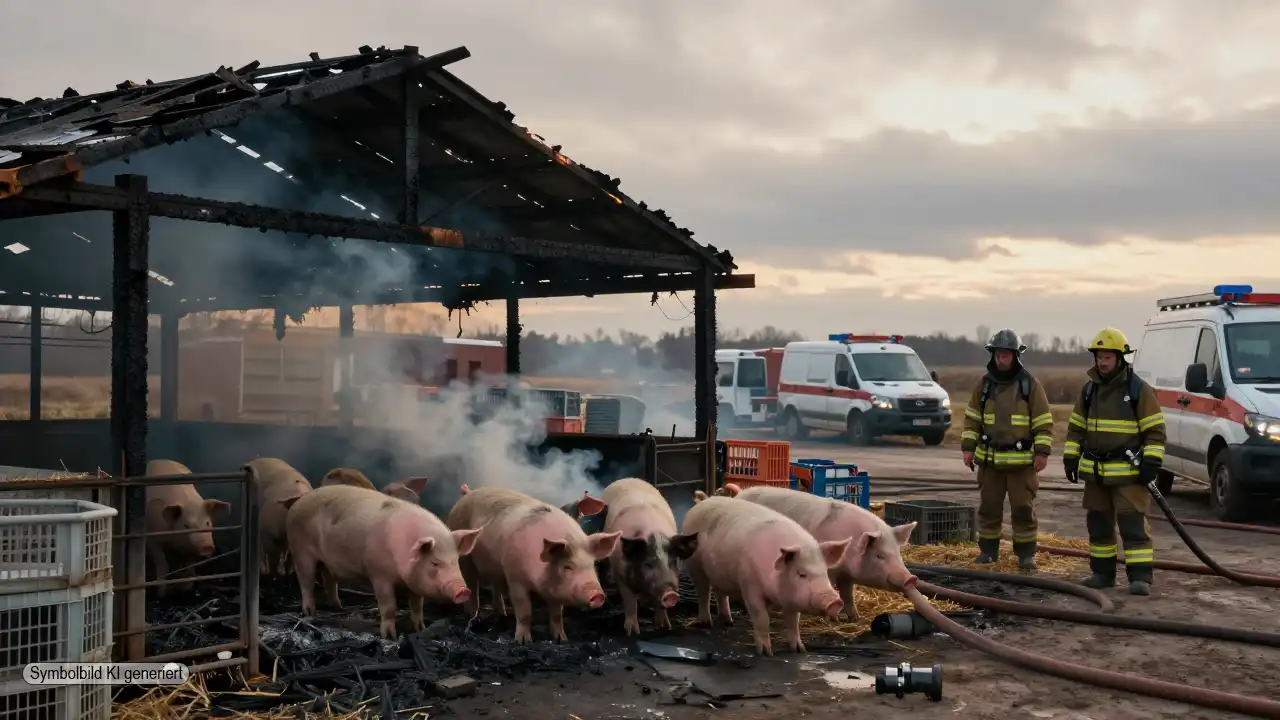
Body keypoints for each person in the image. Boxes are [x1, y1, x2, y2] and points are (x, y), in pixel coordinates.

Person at [1062, 327, 1166, 596]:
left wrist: (1151, 463)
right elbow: (1076, 428)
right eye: (1099, 357)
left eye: (1107, 357)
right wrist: (1071, 458)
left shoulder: (1139, 390)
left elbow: (1155, 431)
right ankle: (1102, 574)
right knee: (1098, 525)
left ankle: (1140, 577)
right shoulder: (1089, 391)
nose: (1102, 362)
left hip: (1128, 474)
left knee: (1133, 526)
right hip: (1096, 474)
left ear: (1120, 358)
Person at [960, 329, 1055, 570]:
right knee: (989, 507)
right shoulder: (983, 385)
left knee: (1023, 509)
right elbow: (972, 419)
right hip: (990, 462)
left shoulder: (1030, 385)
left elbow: (1043, 421)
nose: (1001, 360)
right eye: (998, 355)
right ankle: (988, 552)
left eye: (1005, 356)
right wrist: (968, 448)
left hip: (1021, 464)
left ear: (1015, 356)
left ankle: (1026, 554)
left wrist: (1042, 452)